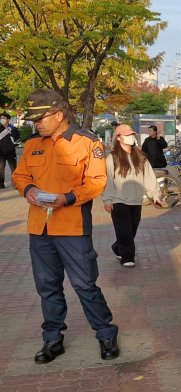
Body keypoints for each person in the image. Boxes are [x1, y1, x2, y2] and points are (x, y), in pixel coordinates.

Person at [12, 88, 119, 363]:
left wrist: (68, 197)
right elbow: (20, 175)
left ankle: (105, 333)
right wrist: (29, 190)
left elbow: (96, 181)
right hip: (40, 228)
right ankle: (52, 339)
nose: (36, 123)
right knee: (47, 286)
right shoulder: (34, 144)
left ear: (59, 114)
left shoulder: (86, 142)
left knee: (84, 283)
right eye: (33, 119)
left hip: (72, 227)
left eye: (41, 117)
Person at [102, 124, 163, 267]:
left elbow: (148, 176)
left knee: (132, 230)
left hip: (136, 200)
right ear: (119, 138)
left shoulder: (140, 156)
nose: (131, 137)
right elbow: (108, 180)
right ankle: (128, 257)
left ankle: (118, 247)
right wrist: (107, 199)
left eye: (132, 135)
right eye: (128, 135)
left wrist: (154, 195)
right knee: (124, 230)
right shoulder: (112, 157)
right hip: (118, 200)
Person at [0, 112, 21, 188]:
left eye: (3, 118)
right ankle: (1, 184)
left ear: (8, 119)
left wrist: (12, 146)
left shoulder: (13, 129)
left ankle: (15, 184)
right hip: (1, 153)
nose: (2, 120)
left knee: (14, 169)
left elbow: (18, 140)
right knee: (1, 169)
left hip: (11, 152)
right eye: (1, 118)